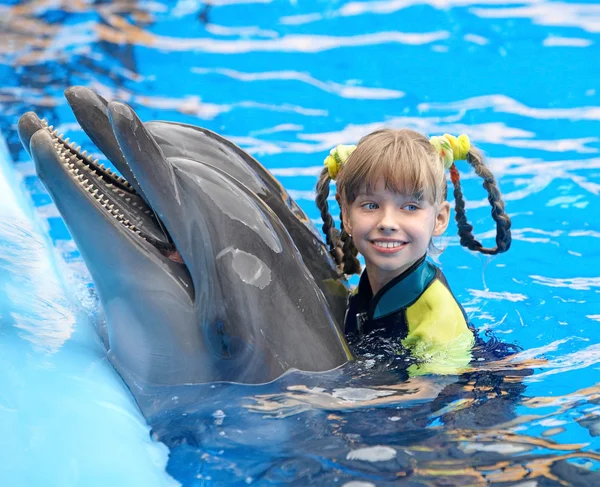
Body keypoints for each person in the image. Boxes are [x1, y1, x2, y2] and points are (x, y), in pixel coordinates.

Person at [315, 129, 512, 374]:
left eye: (410, 207)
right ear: (346, 215)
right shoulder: (367, 289)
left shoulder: (436, 319)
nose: (387, 222)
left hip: (473, 394)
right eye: (371, 205)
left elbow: (426, 396)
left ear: (439, 219)